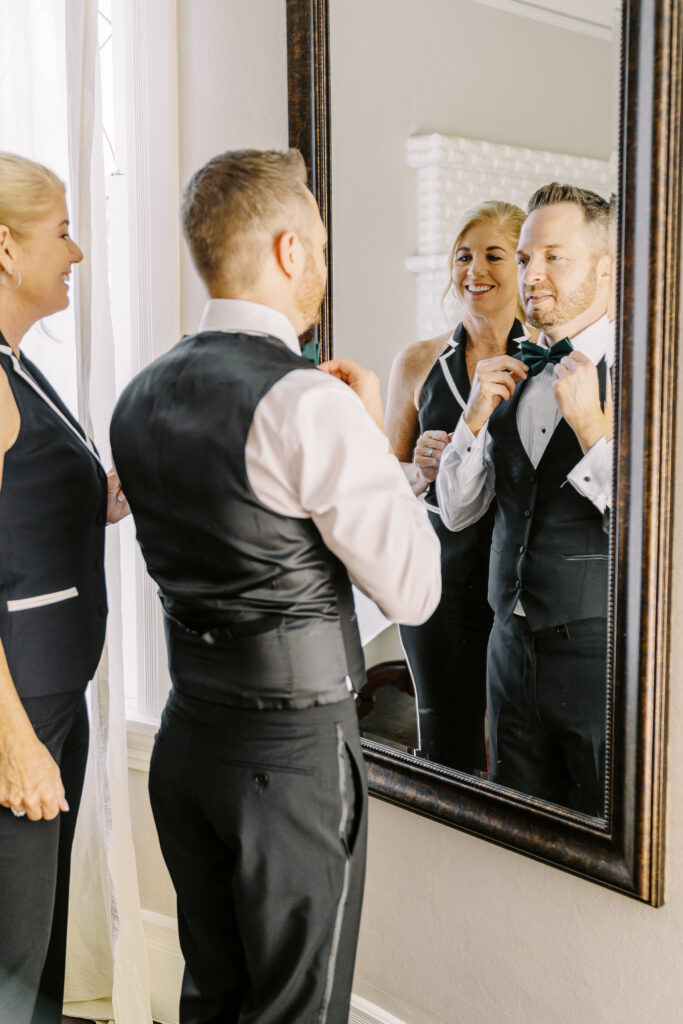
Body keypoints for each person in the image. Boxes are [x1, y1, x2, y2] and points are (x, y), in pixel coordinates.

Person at [110, 148, 440, 1024]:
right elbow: (412, 592)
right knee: (297, 1011)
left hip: (189, 745)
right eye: (322, 247)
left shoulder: (138, 394)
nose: (325, 268)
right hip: (289, 761)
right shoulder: (308, 403)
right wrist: (375, 440)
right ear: (290, 251)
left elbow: (261, 555)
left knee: (213, 995)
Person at [0, 152, 128, 1024]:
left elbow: (48, 505)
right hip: (15, 709)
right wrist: (13, 742)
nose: (75, 253)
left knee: (36, 956)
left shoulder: (21, 366)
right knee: (11, 961)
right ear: (5, 249)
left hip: (53, 696)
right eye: (63, 231)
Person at [437, 182, 613, 816]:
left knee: (604, 834)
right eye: (525, 257)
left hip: (601, 658)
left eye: (553, 258)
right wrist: (475, 419)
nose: (531, 275)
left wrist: (594, 431)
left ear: (605, 267)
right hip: (506, 651)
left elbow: (656, 537)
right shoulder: (512, 374)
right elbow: (457, 512)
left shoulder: (653, 380)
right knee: (515, 826)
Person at [385, 200, 528, 772]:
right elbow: (386, 484)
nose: (476, 271)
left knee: (518, 755)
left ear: (521, 267)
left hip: (519, 589)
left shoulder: (546, 363)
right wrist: (419, 471)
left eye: (494, 255)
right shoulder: (418, 362)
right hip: (439, 587)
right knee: (448, 749)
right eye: (464, 256)